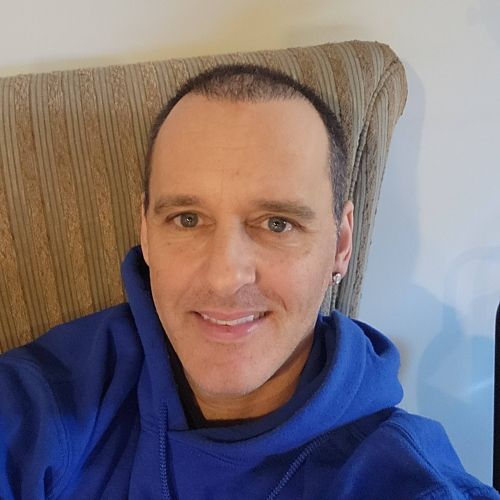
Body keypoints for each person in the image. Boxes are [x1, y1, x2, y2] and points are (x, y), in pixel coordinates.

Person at [0, 65, 497, 500]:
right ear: (145, 231)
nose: (225, 277)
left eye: (278, 223)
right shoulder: (48, 400)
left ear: (341, 244)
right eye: (187, 219)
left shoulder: (402, 476)